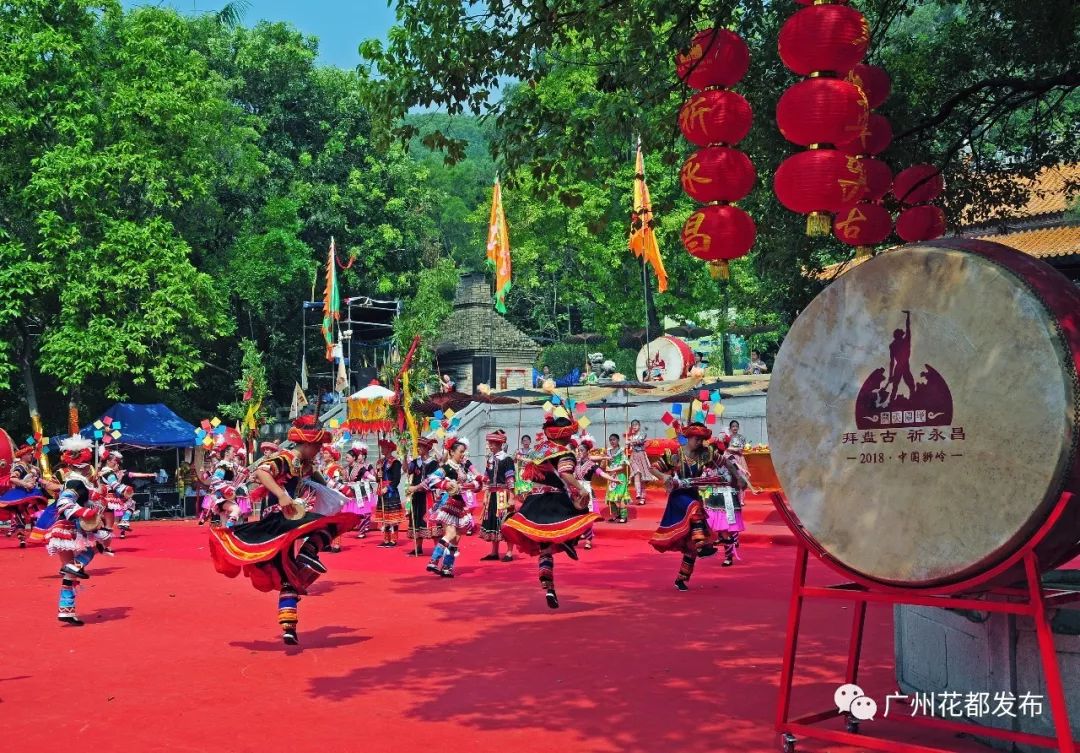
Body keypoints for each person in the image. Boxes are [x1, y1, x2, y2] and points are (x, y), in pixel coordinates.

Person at [207, 415, 359, 646]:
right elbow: (261, 472)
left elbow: (324, 483)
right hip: (279, 517)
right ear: (306, 444)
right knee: (333, 524)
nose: (319, 450)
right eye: (317, 446)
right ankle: (309, 551)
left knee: (289, 574)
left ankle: (289, 627)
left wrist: (344, 491)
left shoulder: (306, 465)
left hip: (291, 519)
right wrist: (281, 494)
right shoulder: (286, 458)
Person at [502, 415, 601, 609]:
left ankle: (549, 587)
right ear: (565, 434)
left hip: (535, 501)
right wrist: (580, 489)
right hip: (555, 500)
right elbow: (565, 474)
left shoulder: (540, 449)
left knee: (545, 547)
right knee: (579, 520)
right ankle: (568, 542)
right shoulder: (564, 452)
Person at [46, 437, 109, 625]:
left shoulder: (77, 482)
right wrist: (87, 512)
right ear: (84, 466)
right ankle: (77, 565)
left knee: (69, 574)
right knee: (94, 548)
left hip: (62, 530)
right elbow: (65, 504)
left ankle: (66, 610)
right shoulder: (76, 483)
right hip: (72, 529)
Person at [649, 421, 718, 592]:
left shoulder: (704, 454)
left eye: (702, 439)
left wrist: (735, 476)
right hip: (679, 497)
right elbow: (653, 468)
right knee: (694, 508)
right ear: (688, 437)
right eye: (697, 439)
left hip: (693, 494)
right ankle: (702, 545)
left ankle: (681, 578)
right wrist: (663, 477)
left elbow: (724, 463)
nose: (700, 442)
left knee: (690, 546)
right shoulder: (675, 454)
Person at [426, 437, 481, 577]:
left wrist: (475, 484)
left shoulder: (462, 468)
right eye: (460, 452)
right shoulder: (446, 467)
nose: (463, 454)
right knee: (450, 534)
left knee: (456, 538)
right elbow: (432, 478)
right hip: (449, 503)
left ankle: (447, 567)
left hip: (460, 505)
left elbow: (474, 484)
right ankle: (434, 560)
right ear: (451, 452)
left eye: (464, 452)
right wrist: (445, 484)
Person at [704, 434, 751, 567]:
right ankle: (729, 546)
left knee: (727, 528)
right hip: (714, 498)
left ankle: (729, 555)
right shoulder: (709, 463)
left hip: (728, 497)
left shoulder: (730, 460)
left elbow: (740, 480)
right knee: (719, 528)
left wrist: (740, 481)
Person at [98, 450, 153, 543]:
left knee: (108, 524)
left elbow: (135, 474)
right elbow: (114, 484)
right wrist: (125, 490)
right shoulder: (110, 473)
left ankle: (105, 542)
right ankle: (123, 523)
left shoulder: (102, 471)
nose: (116, 463)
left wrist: (148, 474)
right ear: (108, 461)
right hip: (112, 498)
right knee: (130, 504)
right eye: (115, 461)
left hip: (105, 498)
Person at [572, 434, 616, 550]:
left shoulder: (591, 465)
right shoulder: (575, 462)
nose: (579, 452)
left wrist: (612, 478)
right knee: (576, 516)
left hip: (586, 490)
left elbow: (601, 473)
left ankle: (588, 539)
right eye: (578, 450)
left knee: (588, 516)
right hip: (576, 491)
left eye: (581, 450)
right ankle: (575, 537)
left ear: (587, 452)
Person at [0, 444, 50, 548]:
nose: (31, 456)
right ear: (23, 455)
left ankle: (33, 534)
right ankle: (22, 536)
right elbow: (13, 478)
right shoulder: (20, 467)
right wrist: (25, 484)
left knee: (37, 510)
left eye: (31, 454)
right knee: (20, 513)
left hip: (30, 493)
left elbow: (37, 480)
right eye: (28, 454)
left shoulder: (31, 467)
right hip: (20, 494)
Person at [479, 430, 516, 561]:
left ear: (499, 444)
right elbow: (487, 478)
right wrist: (485, 494)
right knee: (493, 522)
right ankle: (494, 552)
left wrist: (511, 497)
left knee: (505, 522)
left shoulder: (507, 459)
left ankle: (509, 552)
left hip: (503, 494)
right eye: (489, 443)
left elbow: (510, 478)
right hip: (492, 494)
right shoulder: (490, 459)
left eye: (492, 443)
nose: (490, 446)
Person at [404, 437, 438, 557]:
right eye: (417, 446)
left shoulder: (433, 463)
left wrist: (415, 487)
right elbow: (407, 470)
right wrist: (404, 455)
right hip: (417, 496)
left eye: (420, 446)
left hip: (428, 496)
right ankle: (418, 547)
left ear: (427, 448)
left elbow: (430, 481)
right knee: (417, 520)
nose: (418, 449)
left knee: (431, 521)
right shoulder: (415, 462)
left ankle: (437, 548)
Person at [373, 438, 404, 547]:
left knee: (393, 517)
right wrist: (378, 475)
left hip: (390, 491)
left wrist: (388, 488)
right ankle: (386, 539)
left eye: (384, 447)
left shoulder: (395, 462)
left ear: (389, 449)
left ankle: (394, 540)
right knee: (385, 516)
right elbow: (377, 479)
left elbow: (396, 479)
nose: (382, 449)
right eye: (381, 447)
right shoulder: (380, 462)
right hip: (381, 490)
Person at [625, 419, 655, 506]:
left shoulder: (643, 434)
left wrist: (630, 442)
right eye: (633, 425)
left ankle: (642, 498)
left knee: (642, 478)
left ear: (639, 426)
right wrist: (627, 445)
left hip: (641, 456)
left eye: (636, 425)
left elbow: (640, 441)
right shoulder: (630, 437)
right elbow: (629, 447)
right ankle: (638, 493)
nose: (634, 426)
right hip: (634, 456)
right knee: (636, 473)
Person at [603, 433, 631, 524]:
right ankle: (616, 515)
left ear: (618, 440)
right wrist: (604, 459)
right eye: (610, 440)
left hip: (620, 476)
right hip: (611, 478)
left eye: (614, 439)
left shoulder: (622, 451)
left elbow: (623, 466)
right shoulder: (608, 451)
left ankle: (624, 516)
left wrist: (612, 469)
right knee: (611, 497)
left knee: (620, 497)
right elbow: (603, 465)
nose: (612, 441)